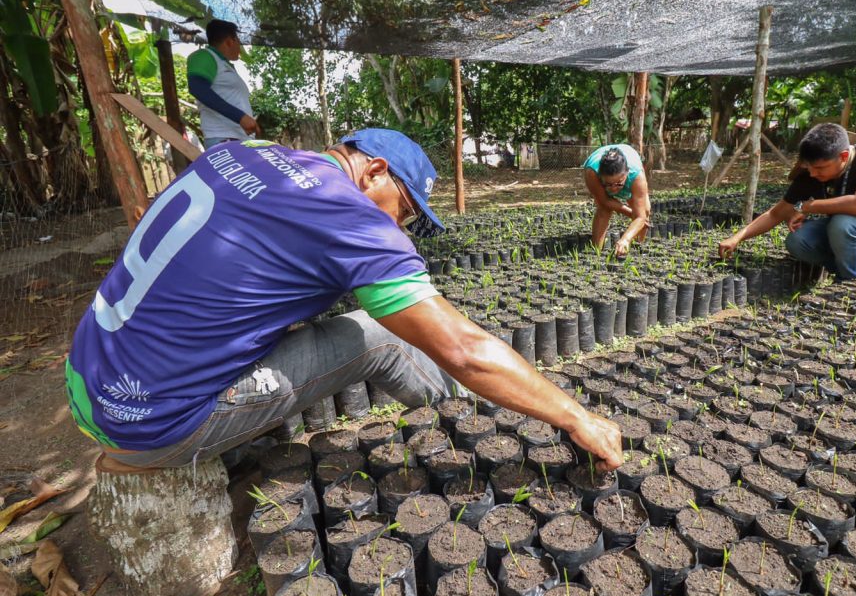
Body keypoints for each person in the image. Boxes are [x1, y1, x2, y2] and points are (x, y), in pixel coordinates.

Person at [65, 129, 623, 472]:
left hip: (86, 381)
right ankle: (465, 421)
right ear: (374, 171)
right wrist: (575, 416)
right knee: (376, 336)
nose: (399, 229)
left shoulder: (244, 153)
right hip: (150, 425)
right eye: (402, 210)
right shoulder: (346, 215)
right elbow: (463, 349)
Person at [718, 123, 856, 281]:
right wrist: (737, 238)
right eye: (810, 167)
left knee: (843, 223)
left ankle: (850, 280)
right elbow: (776, 213)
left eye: (820, 168)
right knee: (797, 241)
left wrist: (809, 206)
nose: (813, 173)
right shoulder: (812, 172)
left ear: (842, 156)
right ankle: (841, 267)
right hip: (849, 232)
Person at [187, 19, 260, 147]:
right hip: (224, 138)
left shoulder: (224, 64)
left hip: (238, 139)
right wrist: (240, 117)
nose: (240, 47)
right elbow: (197, 88)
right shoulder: (205, 56)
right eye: (239, 42)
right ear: (230, 41)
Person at [582, 144, 651, 257]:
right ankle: (596, 253)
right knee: (604, 210)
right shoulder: (592, 172)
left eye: (619, 183)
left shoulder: (637, 176)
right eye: (608, 184)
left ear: (627, 173)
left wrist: (626, 239)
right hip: (595, 168)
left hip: (630, 162)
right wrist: (631, 214)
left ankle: (638, 247)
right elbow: (605, 201)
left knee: (646, 211)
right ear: (601, 177)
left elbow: (641, 216)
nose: (614, 188)